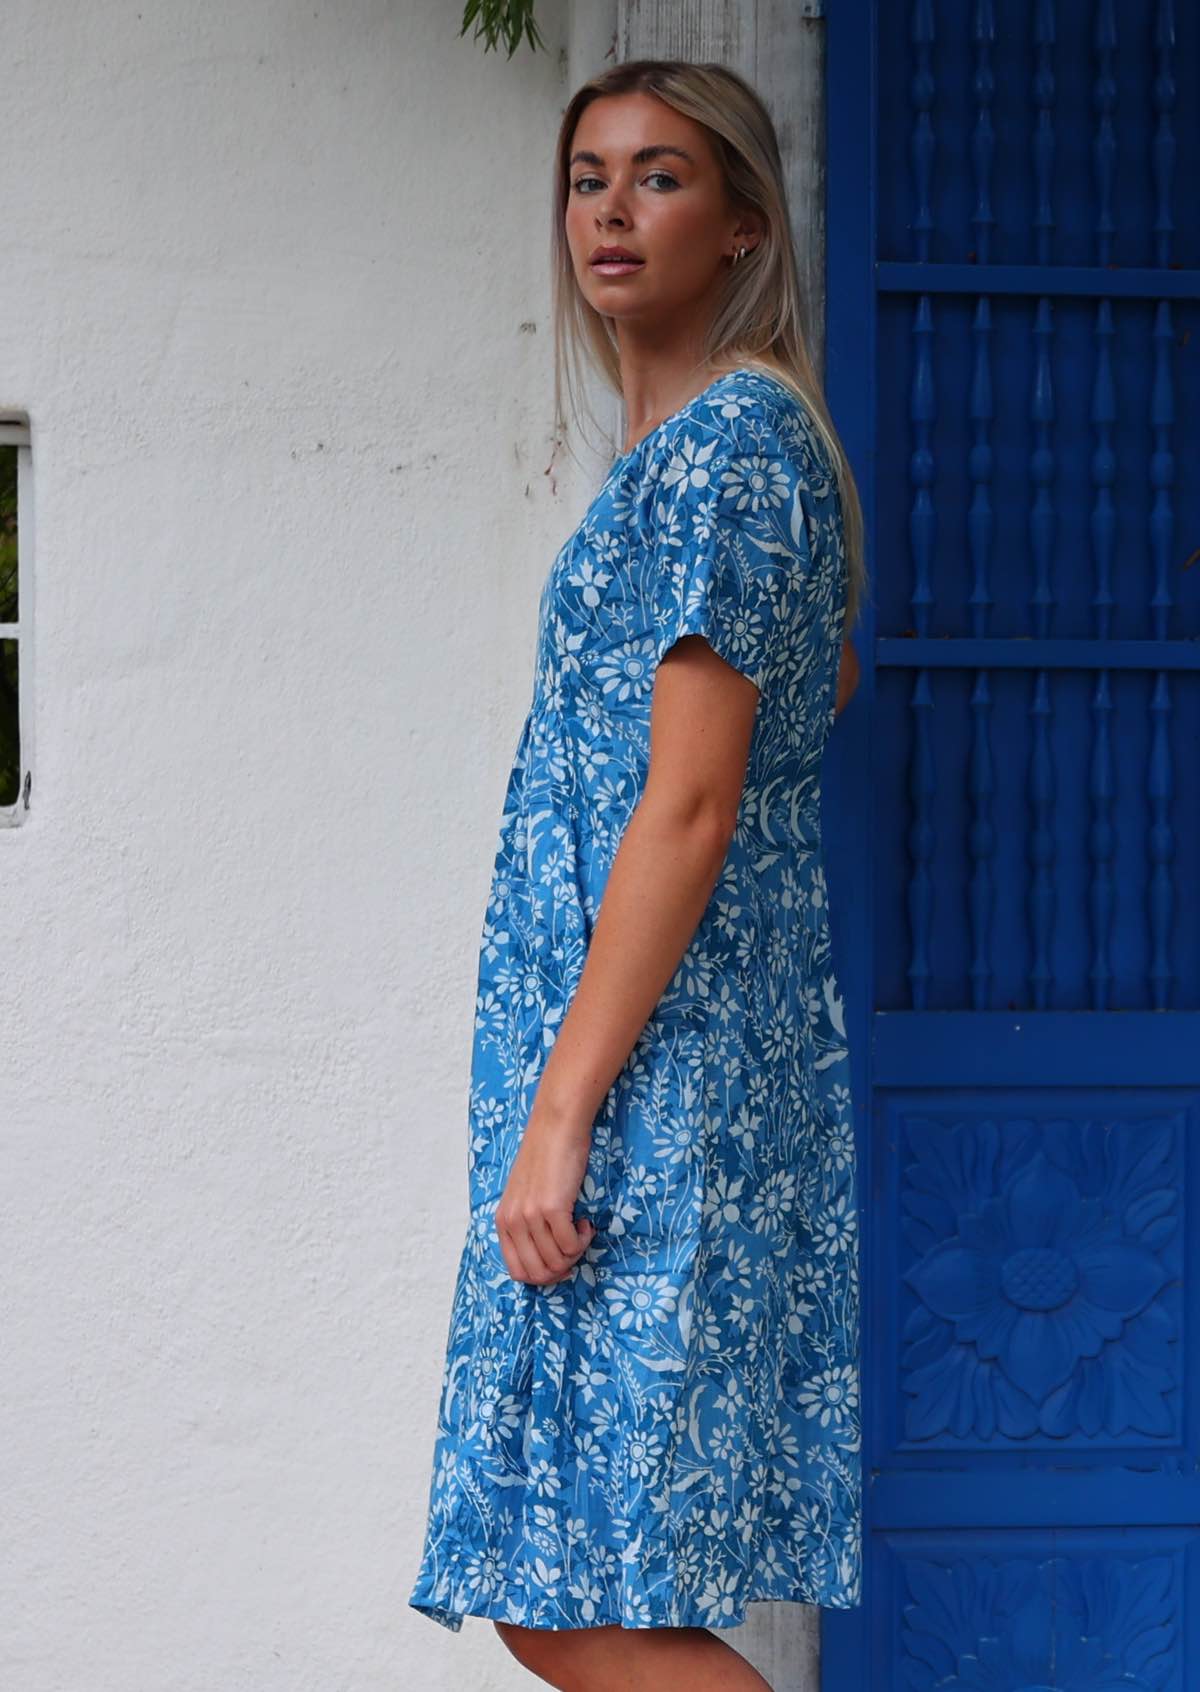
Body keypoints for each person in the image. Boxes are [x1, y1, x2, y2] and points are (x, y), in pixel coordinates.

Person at [408, 56, 867, 1692]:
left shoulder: (732, 457)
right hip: (650, 1068)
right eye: (589, 176)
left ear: (743, 222)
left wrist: (563, 1108)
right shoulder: (698, 463)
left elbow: (691, 810)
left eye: (661, 176)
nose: (610, 210)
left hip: (649, 1087)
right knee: (567, 1573)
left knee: (575, 1583)